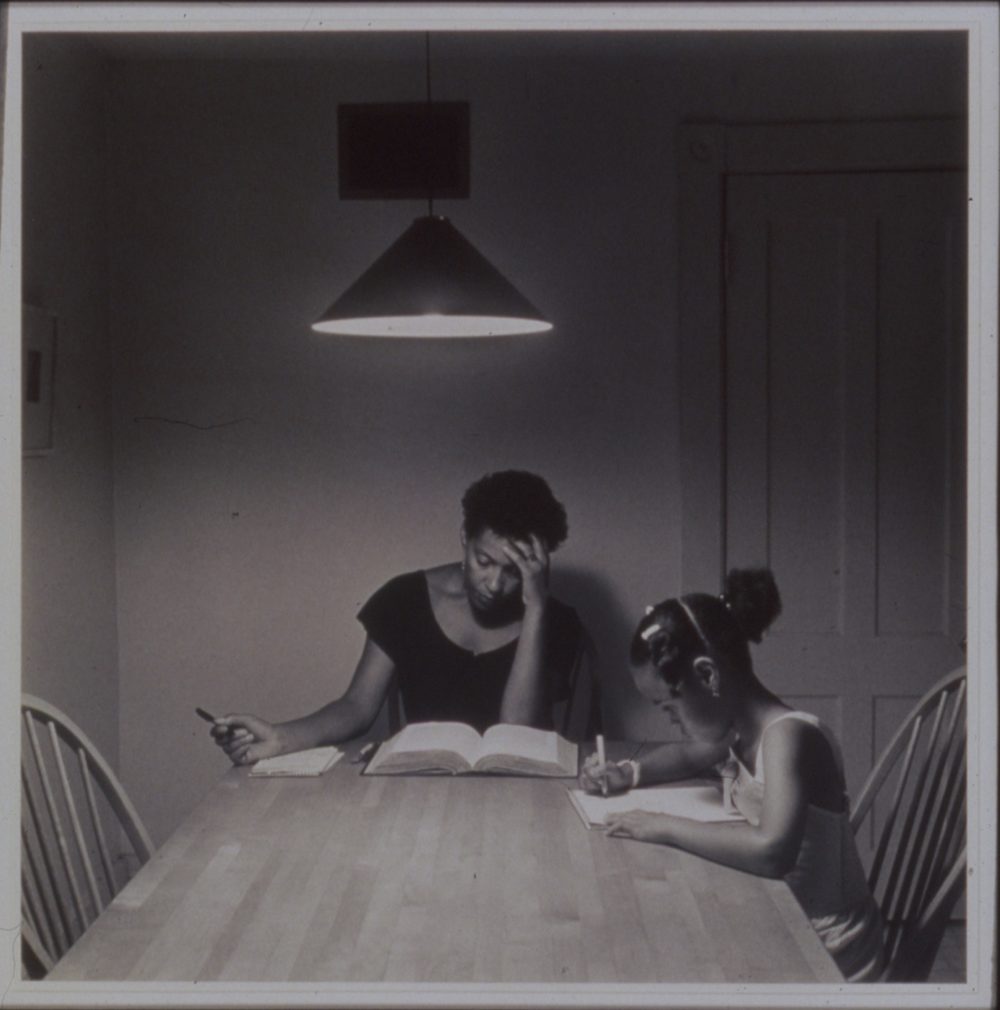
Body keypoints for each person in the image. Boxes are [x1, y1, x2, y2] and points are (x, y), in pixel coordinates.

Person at [579, 568, 884, 982]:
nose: (671, 720)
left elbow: (772, 851)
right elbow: (688, 756)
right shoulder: (739, 728)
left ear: (707, 675)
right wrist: (627, 773)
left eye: (669, 706)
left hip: (828, 950)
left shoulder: (788, 737)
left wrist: (663, 826)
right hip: (785, 914)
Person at [211, 470, 583, 764]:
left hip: (521, 795)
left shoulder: (557, 623)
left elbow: (517, 735)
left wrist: (536, 608)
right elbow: (356, 707)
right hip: (422, 787)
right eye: (484, 561)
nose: (495, 583)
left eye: (514, 571)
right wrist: (279, 737)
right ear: (463, 538)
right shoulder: (404, 600)